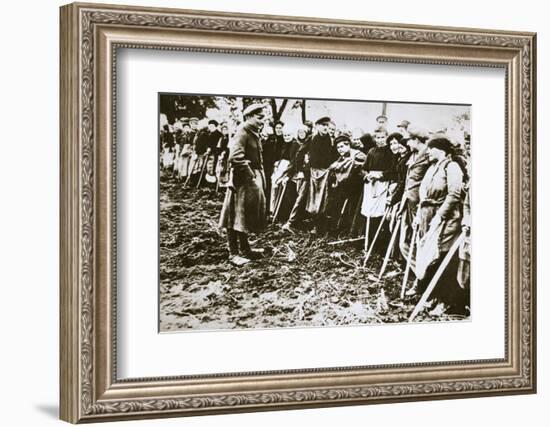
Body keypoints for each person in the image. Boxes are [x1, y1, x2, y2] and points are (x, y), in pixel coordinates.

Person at [414, 136, 467, 315]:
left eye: (431, 148)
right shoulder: (433, 167)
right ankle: (434, 296)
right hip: (429, 215)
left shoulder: (452, 167)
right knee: (430, 257)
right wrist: (419, 215)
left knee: (444, 258)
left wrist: (439, 216)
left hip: (447, 219)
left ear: (441, 150)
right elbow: (424, 194)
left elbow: (454, 194)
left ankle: (446, 300)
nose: (428, 151)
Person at [219, 103, 267, 266]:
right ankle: (233, 253)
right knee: (234, 217)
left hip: (247, 180)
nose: (263, 121)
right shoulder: (243, 132)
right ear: (248, 117)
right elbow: (235, 157)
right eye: (259, 118)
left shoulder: (252, 132)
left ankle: (246, 249)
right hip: (240, 182)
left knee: (243, 216)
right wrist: (251, 175)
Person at [399, 127, 431, 284]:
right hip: (408, 202)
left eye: (409, 140)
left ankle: (421, 277)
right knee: (403, 242)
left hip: (420, 205)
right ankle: (417, 272)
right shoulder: (412, 154)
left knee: (419, 241)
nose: (407, 143)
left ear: (416, 140)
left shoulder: (428, 155)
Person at [361, 125, 394, 253]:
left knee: (381, 213)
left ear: (387, 137)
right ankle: (369, 244)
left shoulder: (390, 152)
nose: (380, 140)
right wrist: (367, 176)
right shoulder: (371, 152)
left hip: (383, 185)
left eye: (383, 137)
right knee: (369, 213)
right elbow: (364, 169)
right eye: (378, 137)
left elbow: (393, 170)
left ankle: (381, 245)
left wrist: (381, 175)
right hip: (370, 185)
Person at [325, 135, 366, 235]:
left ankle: (353, 231)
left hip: (357, 187)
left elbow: (362, 168)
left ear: (348, 145)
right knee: (337, 205)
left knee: (353, 209)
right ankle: (339, 228)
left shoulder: (358, 155)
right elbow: (333, 169)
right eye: (338, 147)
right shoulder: (340, 159)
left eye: (342, 146)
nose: (340, 149)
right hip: (344, 187)